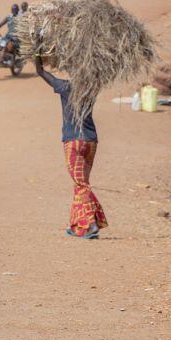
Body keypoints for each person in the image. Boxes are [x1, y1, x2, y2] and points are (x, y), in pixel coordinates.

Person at [36, 58, 105, 238]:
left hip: (73, 142)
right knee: (82, 184)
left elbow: (40, 71)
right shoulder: (91, 90)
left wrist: (37, 52)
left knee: (81, 184)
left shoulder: (65, 87)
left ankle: (91, 225)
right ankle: (77, 226)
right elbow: (102, 74)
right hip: (91, 141)